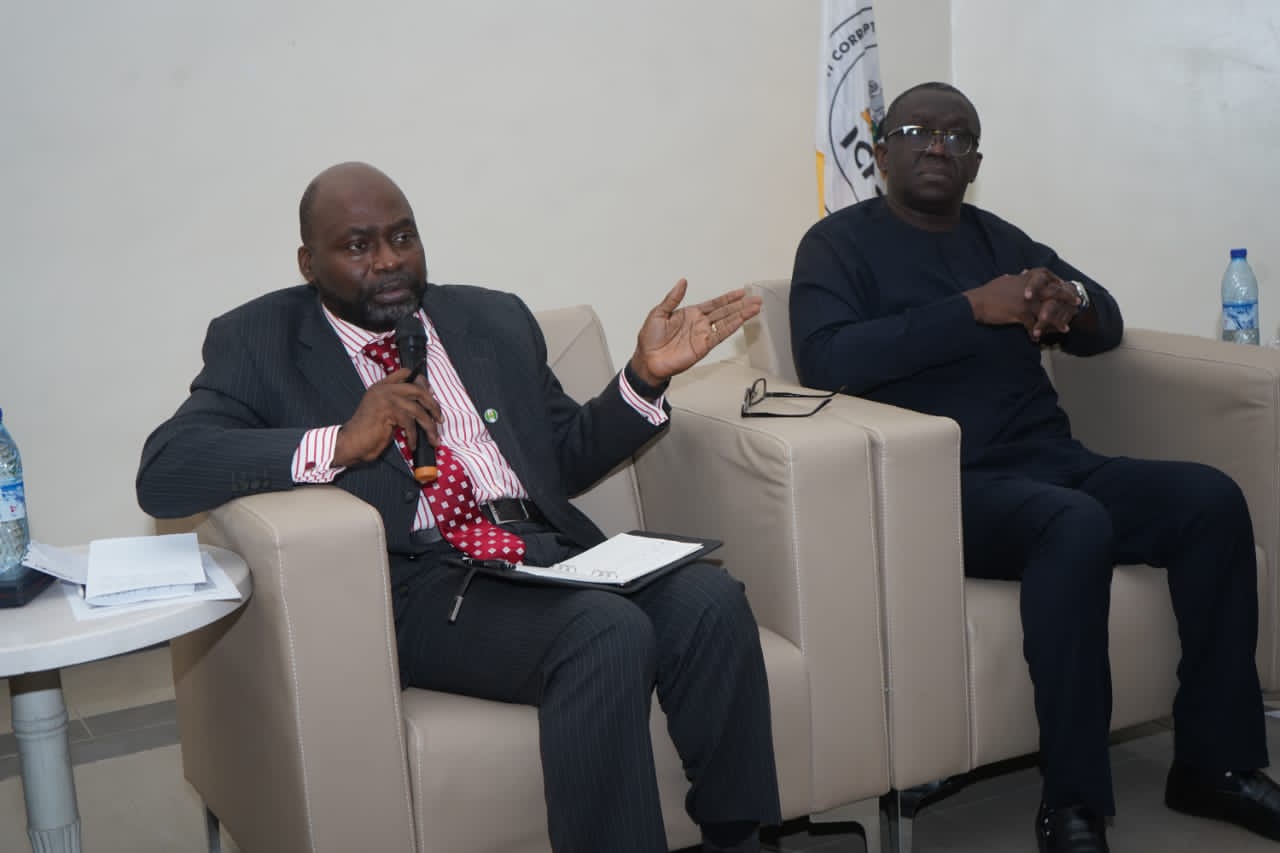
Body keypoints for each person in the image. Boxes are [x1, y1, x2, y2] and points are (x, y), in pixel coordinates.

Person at [136, 161, 781, 853]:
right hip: (425, 582)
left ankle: (743, 841)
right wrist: (341, 442)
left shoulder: (490, 317)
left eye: (402, 237)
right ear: (308, 262)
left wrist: (642, 378)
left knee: (710, 601)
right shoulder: (260, 342)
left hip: (546, 552)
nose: (388, 261)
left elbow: (561, 456)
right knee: (605, 632)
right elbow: (166, 470)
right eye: (358, 245)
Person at [789, 82, 1280, 853]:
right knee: (1074, 524)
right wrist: (972, 309)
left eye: (958, 136)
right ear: (881, 149)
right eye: (916, 130)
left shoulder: (1000, 240)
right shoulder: (837, 247)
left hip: (1053, 463)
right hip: (945, 488)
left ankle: (1215, 766)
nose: (937, 145)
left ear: (975, 161)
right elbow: (826, 359)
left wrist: (1069, 301)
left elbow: (1104, 322)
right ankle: (1074, 801)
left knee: (1209, 498)